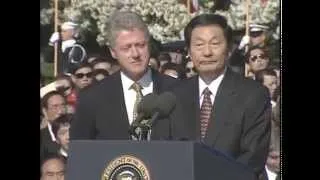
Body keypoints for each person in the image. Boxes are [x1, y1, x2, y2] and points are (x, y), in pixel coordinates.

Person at [170, 14, 271, 178]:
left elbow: (252, 157)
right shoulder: (174, 95)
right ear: (189, 51)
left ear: (229, 49)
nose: (207, 52)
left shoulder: (253, 94)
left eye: (215, 44)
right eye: (199, 45)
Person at [70, 11, 178, 140]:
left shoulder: (175, 91)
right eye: (126, 48)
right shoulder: (92, 98)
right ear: (113, 52)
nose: (135, 54)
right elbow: (81, 151)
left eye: (140, 45)